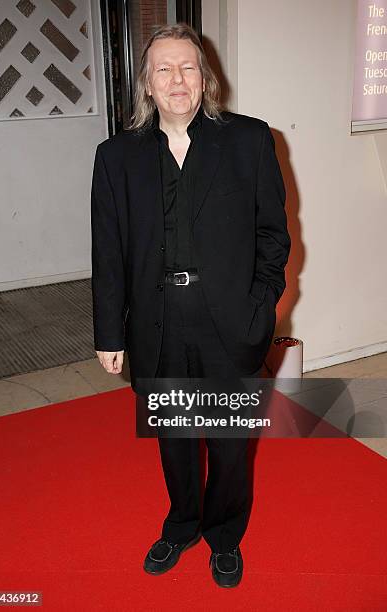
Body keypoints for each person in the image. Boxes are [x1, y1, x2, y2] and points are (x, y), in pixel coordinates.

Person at [91, 23, 291, 588]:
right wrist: (110, 333)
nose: (178, 79)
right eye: (163, 69)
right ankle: (181, 525)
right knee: (175, 438)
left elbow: (274, 235)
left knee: (229, 444)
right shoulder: (115, 156)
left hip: (231, 319)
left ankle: (224, 535)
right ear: (146, 85)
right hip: (157, 321)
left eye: (188, 67)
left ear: (205, 78)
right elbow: (107, 251)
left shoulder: (250, 140)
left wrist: (262, 305)